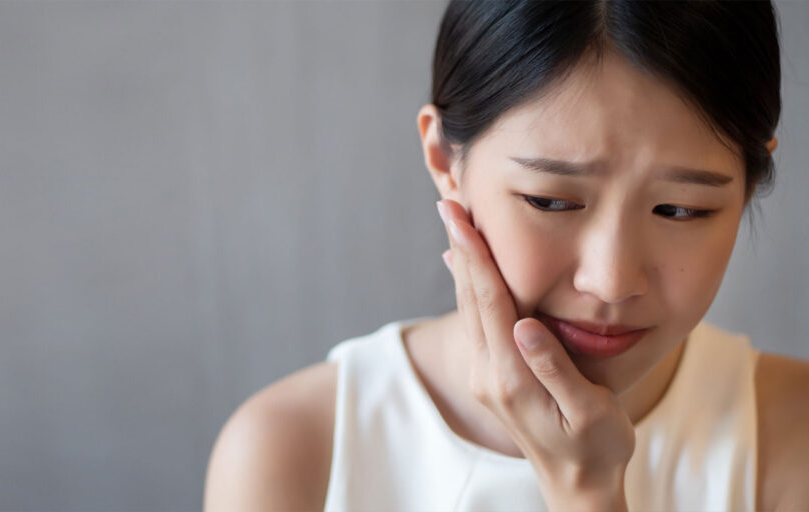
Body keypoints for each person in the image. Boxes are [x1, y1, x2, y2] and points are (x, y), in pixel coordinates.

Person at [204, 1, 808, 510]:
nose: (611, 281)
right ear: (444, 159)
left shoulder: (792, 436)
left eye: (679, 209)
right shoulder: (293, 450)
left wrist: (587, 493)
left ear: (749, 183)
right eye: (550, 201)